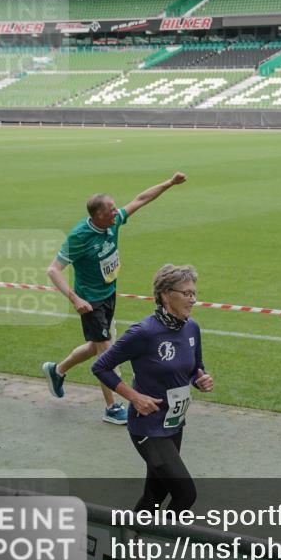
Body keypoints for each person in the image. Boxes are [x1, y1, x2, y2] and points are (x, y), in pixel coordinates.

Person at [42, 172, 187, 424]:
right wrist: (75, 300)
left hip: (109, 294)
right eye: (111, 210)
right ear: (98, 215)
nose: (116, 212)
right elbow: (53, 270)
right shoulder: (79, 237)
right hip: (91, 303)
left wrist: (169, 183)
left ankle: (57, 370)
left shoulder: (114, 222)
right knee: (108, 354)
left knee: (95, 346)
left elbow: (141, 199)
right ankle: (112, 407)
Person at [92, 264, 212, 512]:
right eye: (186, 293)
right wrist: (134, 397)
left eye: (194, 293)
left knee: (155, 495)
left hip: (173, 423)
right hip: (147, 426)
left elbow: (195, 368)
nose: (193, 299)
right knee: (185, 493)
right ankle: (156, 544)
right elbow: (101, 367)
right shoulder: (144, 332)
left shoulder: (192, 328)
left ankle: (125, 544)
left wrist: (200, 379)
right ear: (166, 294)